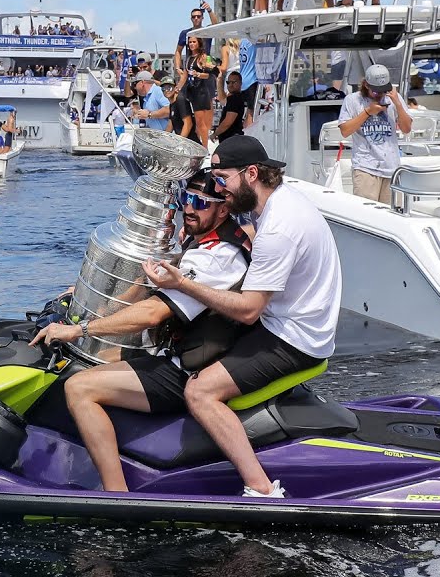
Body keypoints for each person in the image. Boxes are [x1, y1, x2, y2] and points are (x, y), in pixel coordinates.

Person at [143, 136, 342, 498]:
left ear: (251, 173)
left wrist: (183, 283)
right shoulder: (279, 201)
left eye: (223, 179)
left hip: (293, 338)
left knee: (200, 391)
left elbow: (250, 311)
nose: (220, 190)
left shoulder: (279, 227)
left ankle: (260, 487)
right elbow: (253, 234)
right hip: (298, 321)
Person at [32, 170, 252, 492]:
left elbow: (152, 313)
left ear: (222, 209)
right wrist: (84, 302)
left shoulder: (219, 256)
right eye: (185, 199)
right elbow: (141, 290)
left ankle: (116, 493)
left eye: (200, 202)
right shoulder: (200, 240)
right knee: (93, 361)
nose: (188, 209)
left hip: (188, 370)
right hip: (176, 353)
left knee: (79, 388)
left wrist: (80, 329)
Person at [338, 64, 411, 202]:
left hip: (392, 168)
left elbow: (406, 129)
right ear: (366, 85)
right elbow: (345, 131)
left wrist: (398, 104)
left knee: (391, 216)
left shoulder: (394, 98)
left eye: (384, 91)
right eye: (376, 92)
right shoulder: (353, 100)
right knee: (366, 215)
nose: (380, 95)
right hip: (365, 168)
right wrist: (367, 112)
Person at [176, 36, 220, 146]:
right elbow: (185, 75)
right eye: (190, 42)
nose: (191, 44)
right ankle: (198, 144)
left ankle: (205, 146)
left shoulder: (203, 57)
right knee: (196, 121)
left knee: (200, 122)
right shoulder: (189, 58)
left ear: (198, 43)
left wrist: (198, 74)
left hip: (200, 91)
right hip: (191, 90)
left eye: (194, 42)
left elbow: (208, 75)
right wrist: (178, 88)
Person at [174, 3, 219, 76]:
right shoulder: (186, 33)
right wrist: (177, 68)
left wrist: (209, 10)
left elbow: (216, 26)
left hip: (205, 66)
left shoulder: (207, 31)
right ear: (191, 18)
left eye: (198, 16)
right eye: (194, 17)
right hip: (190, 67)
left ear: (202, 18)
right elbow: (178, 51)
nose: (196, 18)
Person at [212, 71, 248, 143]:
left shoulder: (235, 99)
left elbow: (228, 121)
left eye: (234, 82)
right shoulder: (233, 98)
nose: (230, 85)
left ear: (240, 83)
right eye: (228, 82)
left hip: (231, 140)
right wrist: (219, 81)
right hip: (230, 140)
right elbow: (222, 100)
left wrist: (215, 133)